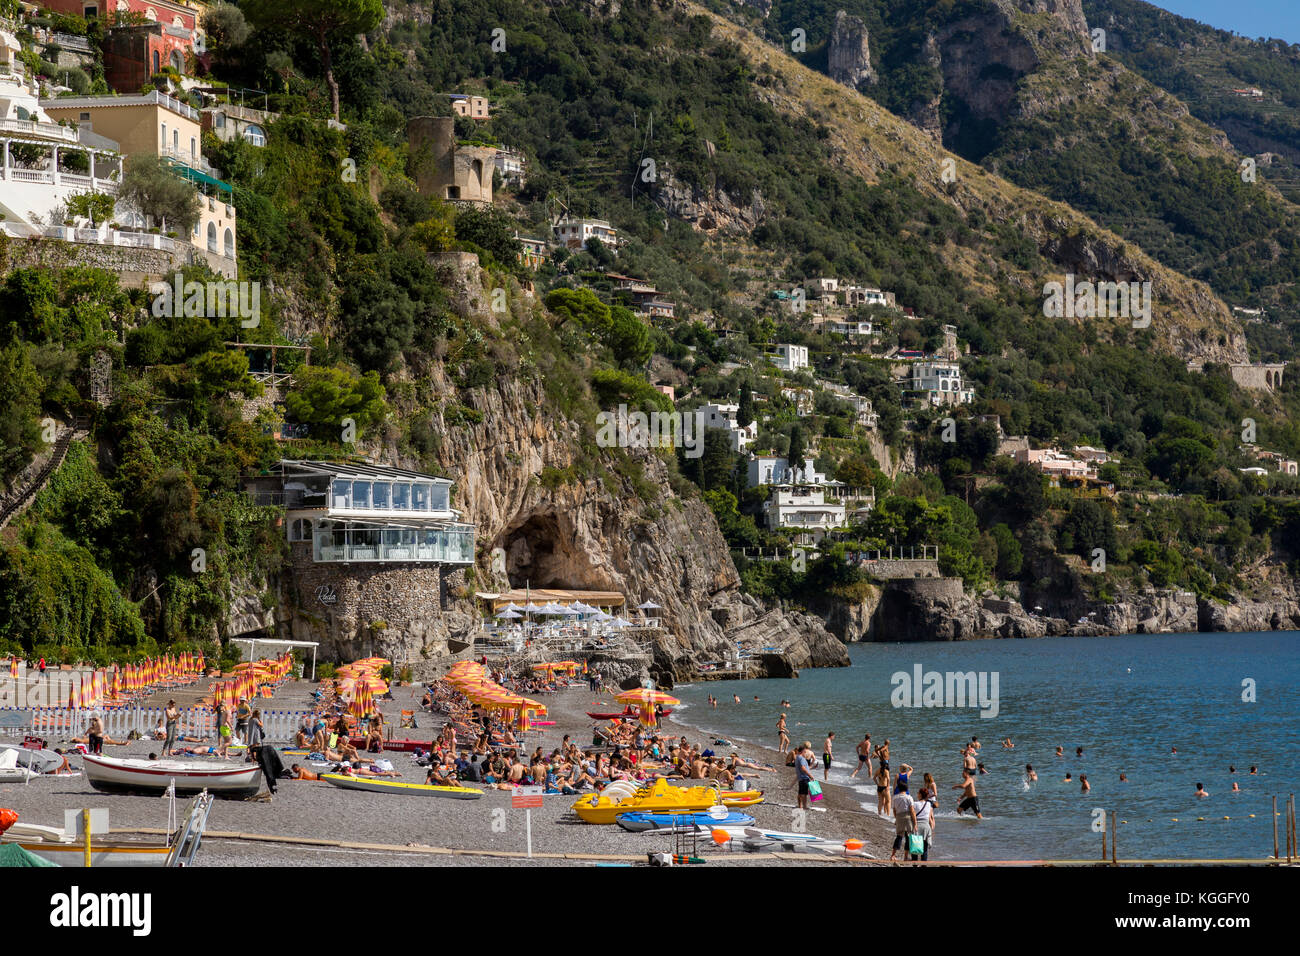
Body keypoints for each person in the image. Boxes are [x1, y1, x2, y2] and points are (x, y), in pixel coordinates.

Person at [889, 780, 916, 863]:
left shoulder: (895, 798)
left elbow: (894, 810)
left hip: (899, 817)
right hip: (908, 818)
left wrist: (896, 819)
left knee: (899, 836)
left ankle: (893, 855)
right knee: (908, 838)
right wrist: (915, 822)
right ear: (906, 788)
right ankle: (905, 856)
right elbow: (912, 811)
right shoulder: (909, 797)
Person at [912, 786, 936, 861]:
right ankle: (924, 864)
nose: (917, 794)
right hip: (926, 826)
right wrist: (931, 829)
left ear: (920, 795)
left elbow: (912, 815)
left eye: (918, 793)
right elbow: (929, 818)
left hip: (917, 826)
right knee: (924, 849)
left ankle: (915, 865)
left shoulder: (915, 804)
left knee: (915, 849)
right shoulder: (929, 804)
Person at [794, 742, 814, 811]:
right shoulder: (801, 758)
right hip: (804, 778)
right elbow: (803, 768)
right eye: (805, 752)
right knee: (804, 793)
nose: (805, 753)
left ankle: (800, 806)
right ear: (802, 751)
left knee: (801, 792)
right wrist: (810, 775)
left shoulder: (797, 757)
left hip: (801, 777)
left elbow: (804, 767)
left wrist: (811, 768)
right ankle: (804, 806)